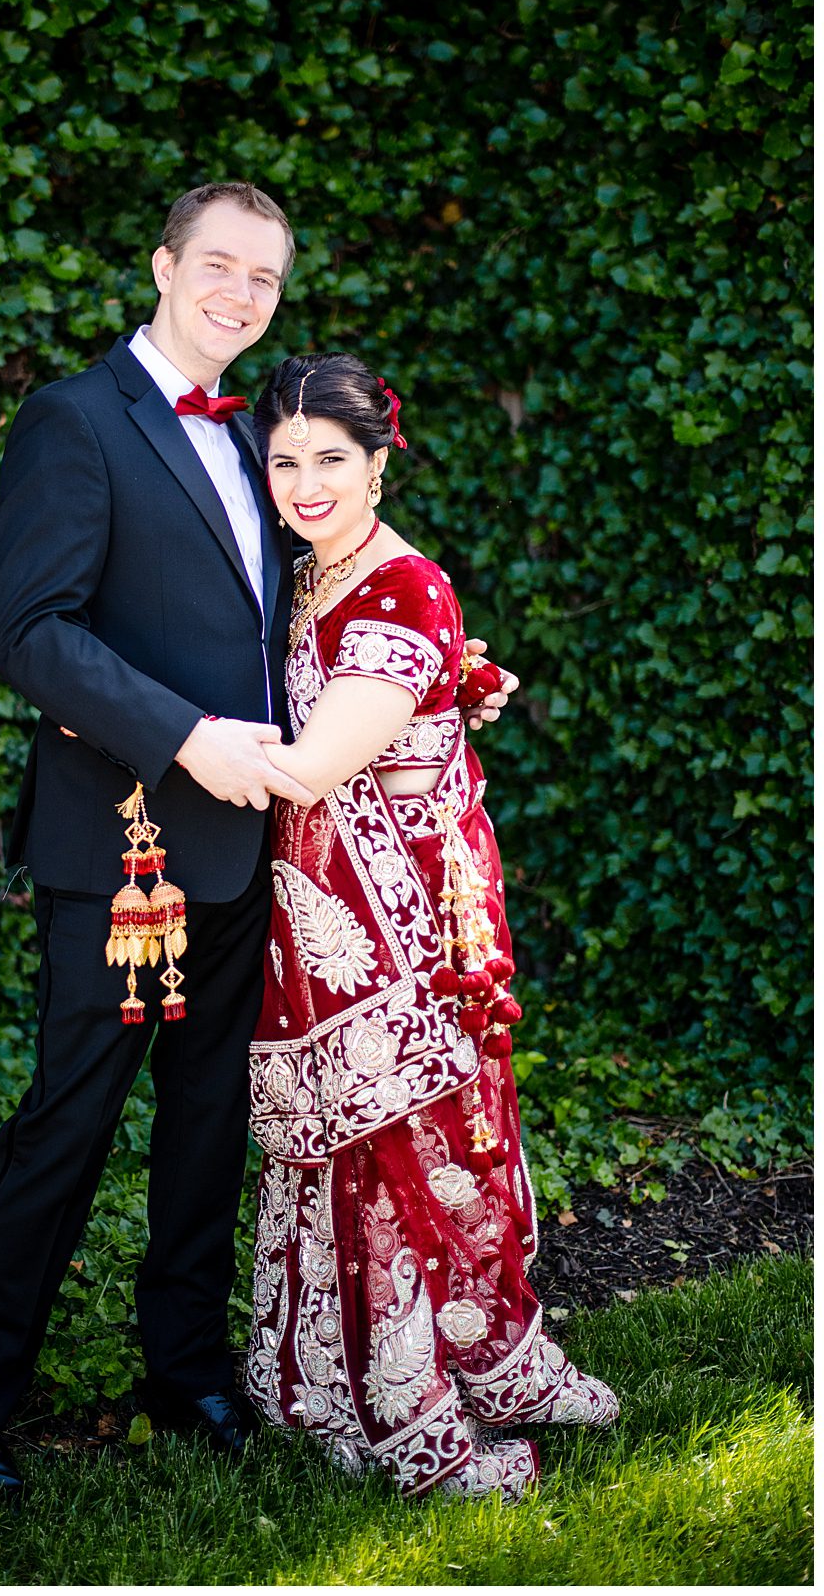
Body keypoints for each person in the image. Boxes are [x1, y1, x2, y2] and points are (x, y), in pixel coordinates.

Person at [0, 184, 513, 1499]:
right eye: (220, 267)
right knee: (66, 1127)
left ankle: (183, 1370)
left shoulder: (260, 437)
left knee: (204, 1126)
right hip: (125, 854)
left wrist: (439, 667)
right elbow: (34, 631)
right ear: (164, 266)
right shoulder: (76, 420)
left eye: (265, 279)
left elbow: (314, 596)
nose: (241, 296)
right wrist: (183, 735)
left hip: (253, 849)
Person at [242, 352, 616, 1499]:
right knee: (345, 1147)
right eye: (285, 460)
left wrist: (154, 733)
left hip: (404, 915)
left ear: (381, 462)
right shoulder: (307, 572)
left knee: (417, 1145)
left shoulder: (403, 586)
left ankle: (431, 1395)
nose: (306, 484)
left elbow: (311, 762)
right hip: (324, 907)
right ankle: (336, 1375)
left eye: (333, 460)